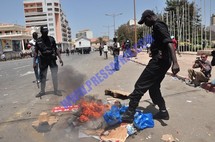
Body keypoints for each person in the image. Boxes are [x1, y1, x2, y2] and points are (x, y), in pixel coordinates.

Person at [121, 10, 180, 122]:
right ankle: (163, 112)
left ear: (149, 17)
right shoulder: (157, 26)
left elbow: (169, 42)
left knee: (140, 85)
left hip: (159, 62)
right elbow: (162, 43)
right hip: (162, 60)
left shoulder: (158, 25)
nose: (145, 24)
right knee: (153, 87)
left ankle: (130, 113)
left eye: (145, 21)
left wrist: (175, 62)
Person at [34, 25, 63, 97]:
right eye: (44, 32)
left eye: (46, 32)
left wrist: (60, 58)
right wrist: (34, 62)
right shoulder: (38, 41)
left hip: (52, 59)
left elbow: (56, 49)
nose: (45, 33)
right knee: (42, 76)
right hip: (43, 60)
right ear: (41, 32)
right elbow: (35, 52)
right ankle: (42, 91)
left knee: (54, 75)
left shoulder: (51, 39)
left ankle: (56, 90)